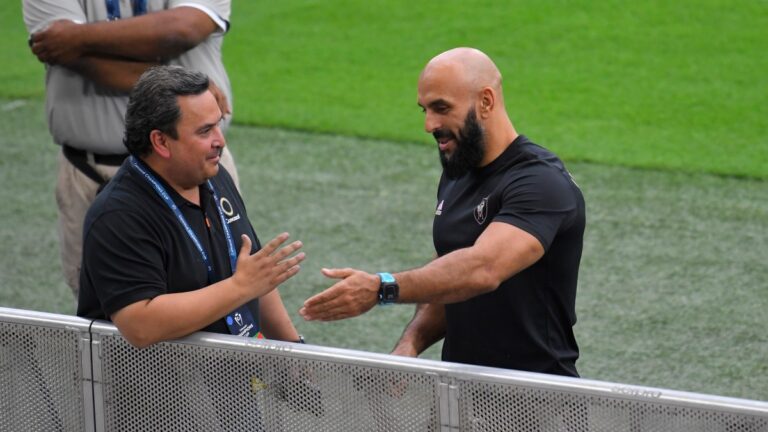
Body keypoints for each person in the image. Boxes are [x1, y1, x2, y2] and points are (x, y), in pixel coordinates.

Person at [300, 47, 585, 377]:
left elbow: (482, 269)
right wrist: (410, 344)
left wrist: (382, 287)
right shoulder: (458, 171)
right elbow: (449, 277)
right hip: (458, 389)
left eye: (441, 108)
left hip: (536, 397)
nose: (428, 124)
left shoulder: (539, 182)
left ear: (486, 101)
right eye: (424, 109)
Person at [77, 66, 305, 348]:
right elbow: (139, 324)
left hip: (224, 379)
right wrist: (239, 288)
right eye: (205, 130)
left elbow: (256, 275)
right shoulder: (118, 215)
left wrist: (296, 351)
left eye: (218, 125)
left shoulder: (213, 176)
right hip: (150, 389)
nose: (220, 141)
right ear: (161, 141)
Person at [23, 0, 238, 297]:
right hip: (91, 171)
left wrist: (77, 39)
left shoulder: (75, 40)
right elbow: (54, 47)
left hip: (198, 172)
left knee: (226, 291)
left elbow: (182, 28)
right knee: (107, 310)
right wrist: (181, 87)